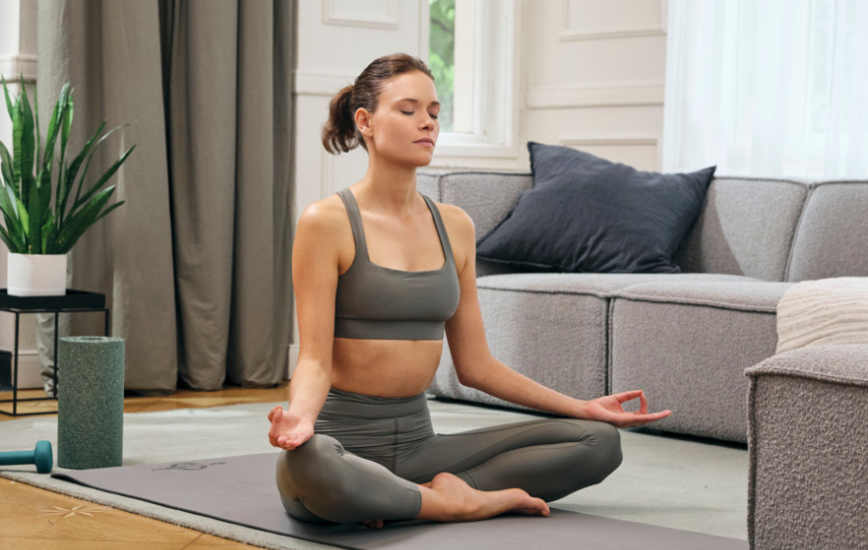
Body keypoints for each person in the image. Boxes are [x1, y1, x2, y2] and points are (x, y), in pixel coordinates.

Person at [270, 52, 673, 529]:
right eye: (409, 110)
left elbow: (476, 365)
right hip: (343, 447)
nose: (428, 123)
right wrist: (300, 419)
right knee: (311, 466)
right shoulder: (326, 222)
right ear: (365, 122)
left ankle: (404, 498)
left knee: (599, 442)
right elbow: (314, 359)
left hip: (423, 448)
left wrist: (584, 407)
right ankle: (454, 503)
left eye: (435, 112)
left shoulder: (455, 226)